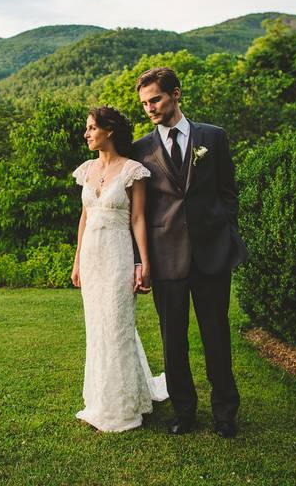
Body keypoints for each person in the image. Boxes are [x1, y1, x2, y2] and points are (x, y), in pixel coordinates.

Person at [132, 67, 247, 439]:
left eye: (156, 99)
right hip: (166, 259)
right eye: (145, 103)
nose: (150, 108)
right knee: (173, 339)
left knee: (217, 335)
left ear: (176, 94)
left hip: (212, 253)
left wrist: (225, 230)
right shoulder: (140, 149)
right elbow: (140, 212)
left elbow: (228, 192)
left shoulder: (213, 137)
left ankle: (225, 412)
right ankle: (184, 411)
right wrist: (142, 259)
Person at [71, 105, 168, 432]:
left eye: (91, 128)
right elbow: (84, 217)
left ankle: (123, 406)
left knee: (117, 325)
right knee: (97, 328)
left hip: (118, 255)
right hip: (91, 257)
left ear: (108, 130)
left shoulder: (133, 171)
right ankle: (101, 399)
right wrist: (76, 260)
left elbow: (138, 219)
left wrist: (144, 263)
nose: (86, 134)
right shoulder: (85, 170)